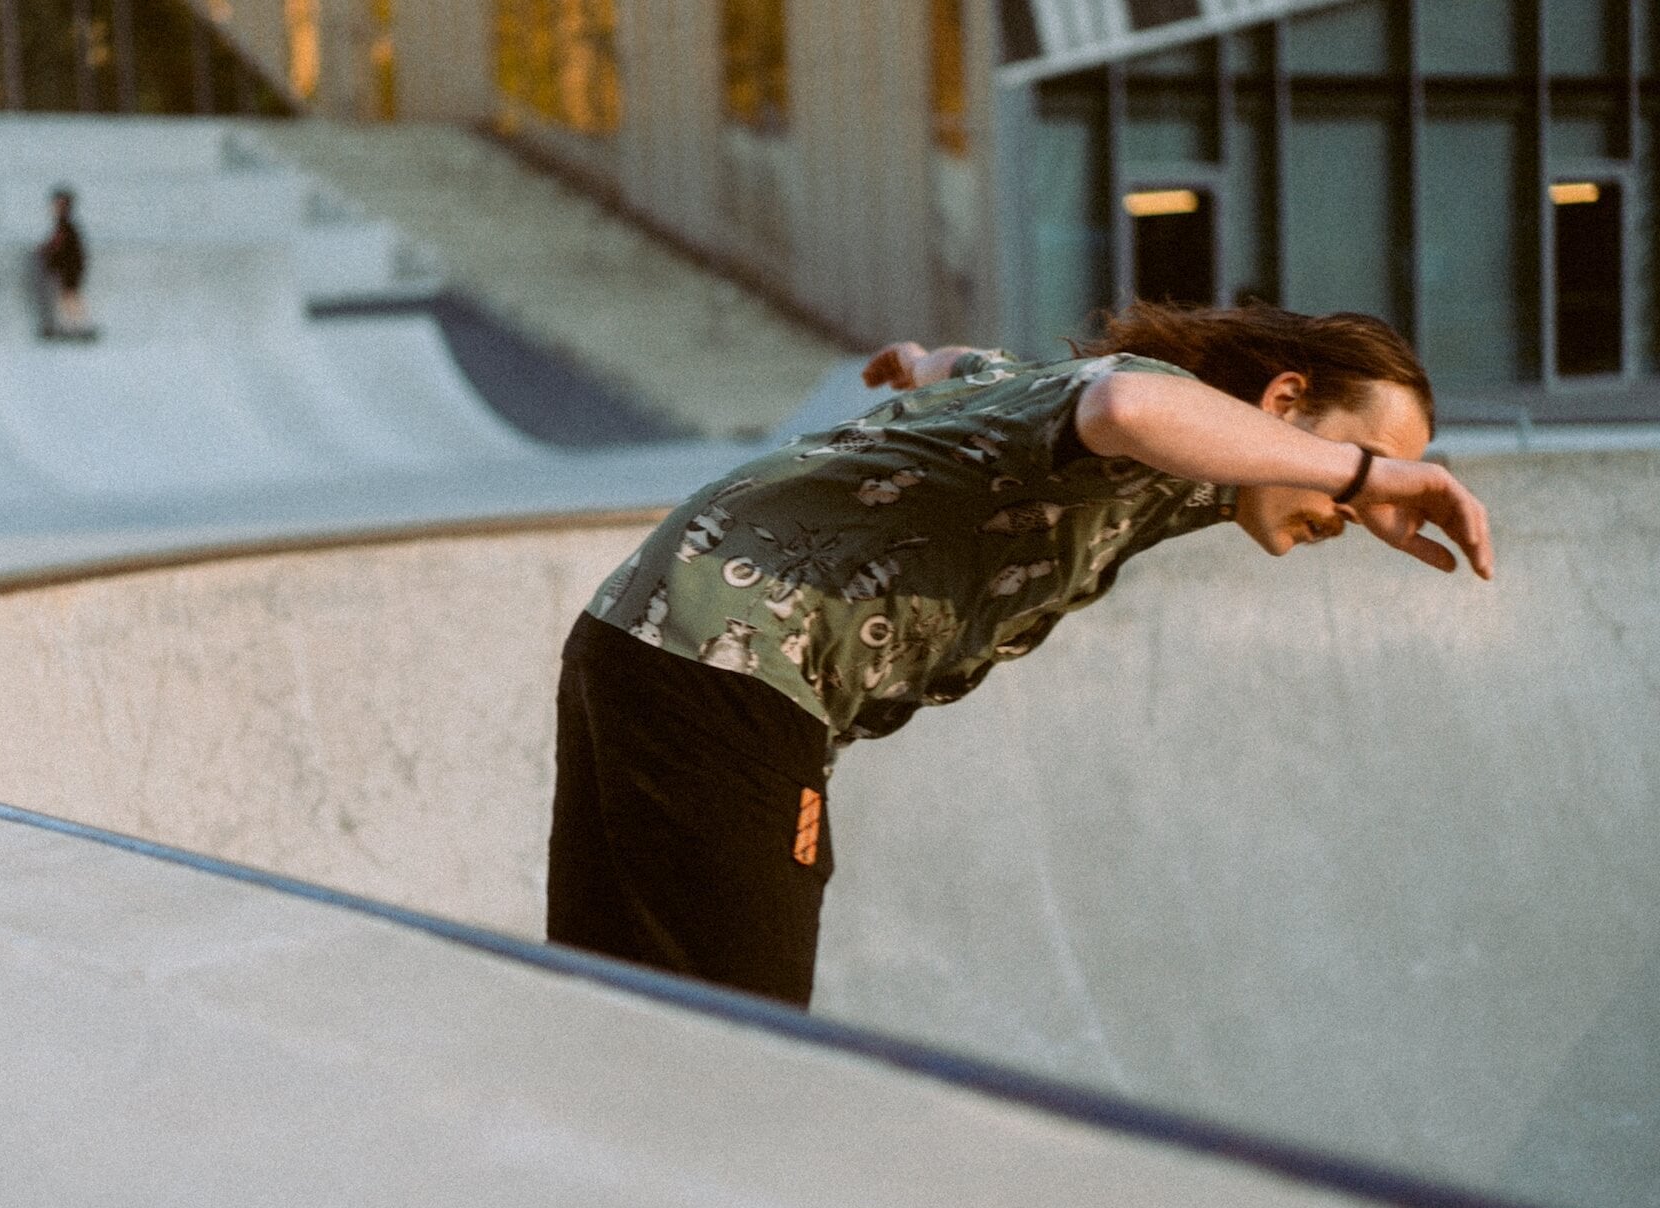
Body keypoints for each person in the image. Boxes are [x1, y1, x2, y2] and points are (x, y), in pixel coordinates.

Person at [545, 301, 1494, 1009]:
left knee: (613, 1003)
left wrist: (920, 365)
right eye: (1366, 466)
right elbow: (1126, 404)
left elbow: (973, 367)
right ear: (1284, 401)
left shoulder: (1093, 422)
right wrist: (1370, 473)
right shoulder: (1155, 404)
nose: (1359, 506)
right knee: (745, 1032)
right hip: (732, 672)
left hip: (643, 636)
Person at [36, 186, 92, 339]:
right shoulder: (64, 226)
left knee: (70, 297)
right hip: (67, 268)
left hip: (70, 268)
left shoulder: (66, 226)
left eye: (58, 204)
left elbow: (59, 245)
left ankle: (78, 327)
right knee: (68, 297)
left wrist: (47, 251)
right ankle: (74, 327)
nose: (54, 207)